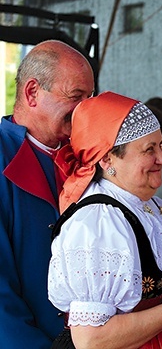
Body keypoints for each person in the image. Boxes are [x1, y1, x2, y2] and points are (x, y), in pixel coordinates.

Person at [48, 92, 162, 348]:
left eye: (160, 144)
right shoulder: (97, 223)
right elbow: (91, 340)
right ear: (107, 159)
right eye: (149, 149)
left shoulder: (142, 205)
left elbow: (152, 294)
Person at [0, 40, 95, 346]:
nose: (84, 110)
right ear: (32, 93)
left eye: (89, 98)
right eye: (75, 97)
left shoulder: (86, 159)